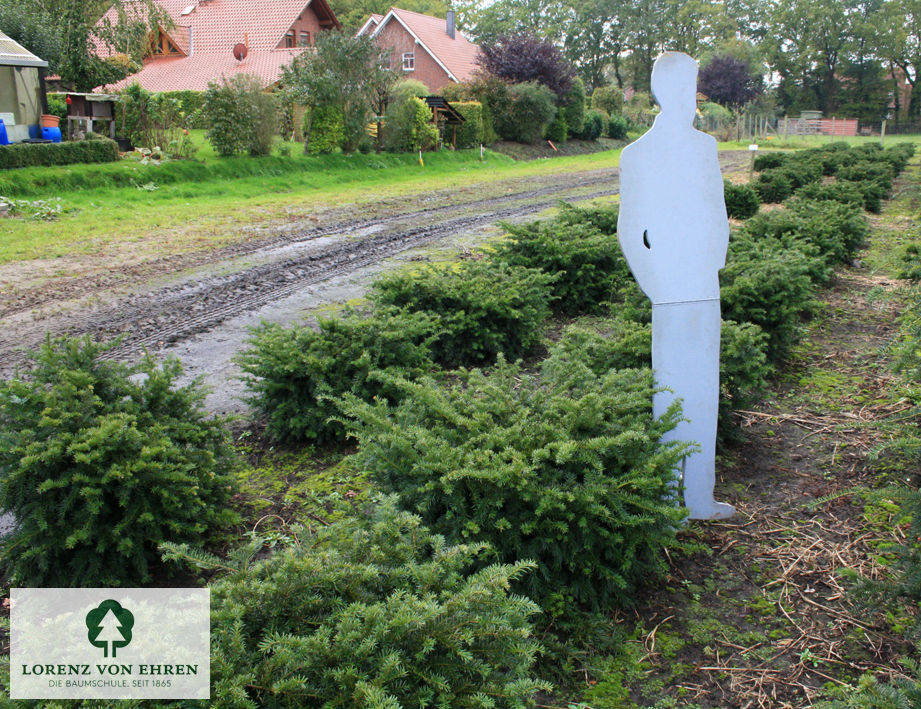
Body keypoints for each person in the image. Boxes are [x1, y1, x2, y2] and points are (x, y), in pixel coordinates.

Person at [617, 51, 735, 520]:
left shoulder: (705, 148)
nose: (693, 98)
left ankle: (700, 496)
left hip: (704, 286)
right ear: (666, 92)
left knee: (704, 388)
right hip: (668, 290)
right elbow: (630, 230)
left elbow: (717, 210)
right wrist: (657, 285)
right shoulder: (638, 155)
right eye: (687, 88)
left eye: (695, 88)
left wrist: (714, 262)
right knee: (671, 393)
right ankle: (669, 495)